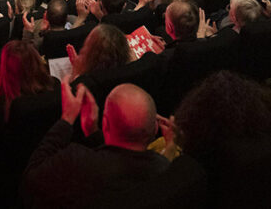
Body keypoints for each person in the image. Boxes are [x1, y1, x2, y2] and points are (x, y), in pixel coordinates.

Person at [22, 79, 172, 207]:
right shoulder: (165, 170)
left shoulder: (76, 164)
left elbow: (31, 177)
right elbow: (120, 157)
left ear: (105, 123)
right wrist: (92, 131)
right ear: (155, 129)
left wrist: (67, 117)